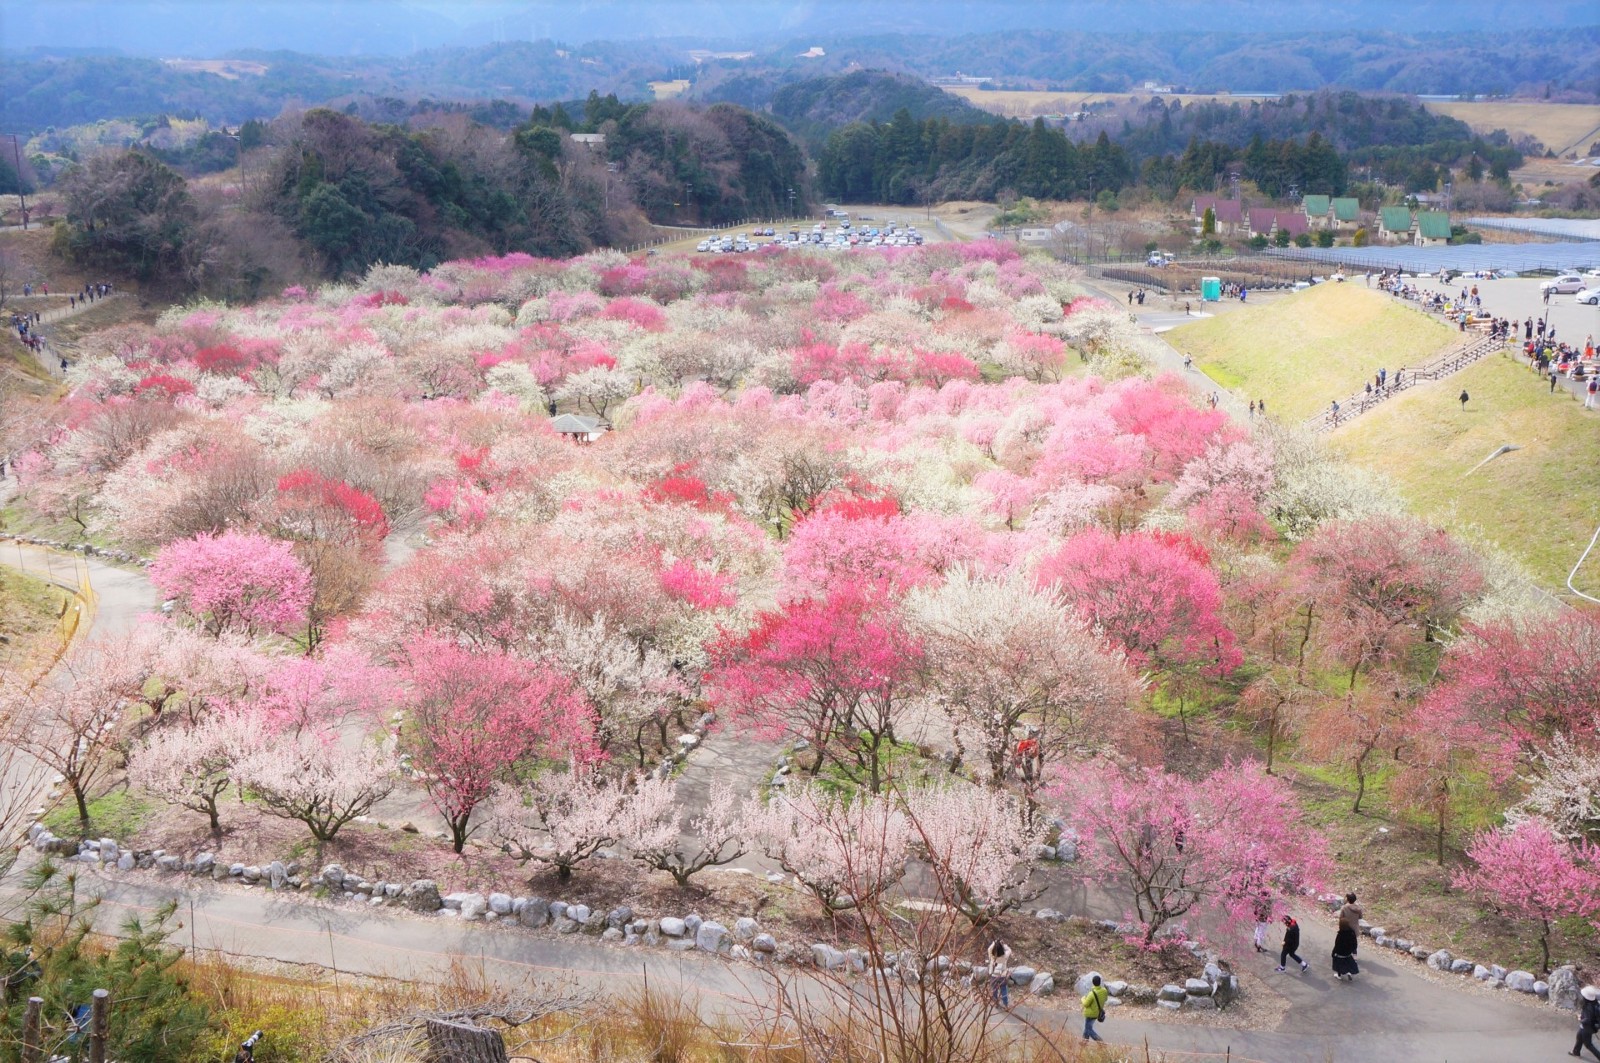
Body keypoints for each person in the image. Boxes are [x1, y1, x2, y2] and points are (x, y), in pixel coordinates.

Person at [1332, 893, 1362, 981]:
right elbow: (1360, 917)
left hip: (1346, 928)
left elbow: (1341, 917)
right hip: (1354, 930)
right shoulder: (1358, 908)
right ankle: (1354, 957)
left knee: (1343, 947)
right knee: (1352, 944)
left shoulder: (1344, 907)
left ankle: (1340, 972)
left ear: (1348, 899)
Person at [1574, 984, 1600, 1060]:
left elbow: (1587, 1020)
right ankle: (1576, 1052)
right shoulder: (1594, 1003)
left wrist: (1580, 1019)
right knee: (1579, 1036)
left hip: (1587, 1028)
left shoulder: (1588, 1007)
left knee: (1588, 1044)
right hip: (1588, 1027)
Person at [1081, 973, 1109, 1042]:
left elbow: (1086, 1004)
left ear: (1093, 983)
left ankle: (1099, 1040)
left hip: (1090, 1014)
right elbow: (1106, 999)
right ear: (1100, 982)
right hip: (1097, 1012)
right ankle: (1084, 1041)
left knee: (1088, 1029)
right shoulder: (1104, 991)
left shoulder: (1091, 994)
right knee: (1087, 1027)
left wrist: (1083, 998)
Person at [987, 939, 1012, 1008]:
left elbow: (989, 948)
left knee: (994, 990)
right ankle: (1005, 1004)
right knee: (1003, 989)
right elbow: (1009, 950)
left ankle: (995, 1003)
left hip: (993, 975)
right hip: (1002, 976)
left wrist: (994, 943)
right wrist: (1003, 945)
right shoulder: (1005, 956)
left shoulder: (991, 956)